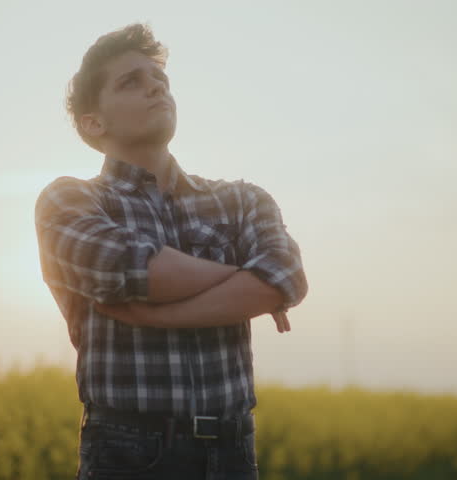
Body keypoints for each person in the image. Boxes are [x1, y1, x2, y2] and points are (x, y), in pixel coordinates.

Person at [34, 22, 308, 479]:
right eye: (131, 81)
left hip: (234, 453)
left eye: (160, 79)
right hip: (128, 455)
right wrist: (249, 281)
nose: (156, 87)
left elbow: (287, 275)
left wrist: (158, 315)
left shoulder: (241, 199)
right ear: (94, 122)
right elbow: (134, 270)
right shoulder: (69, 200)